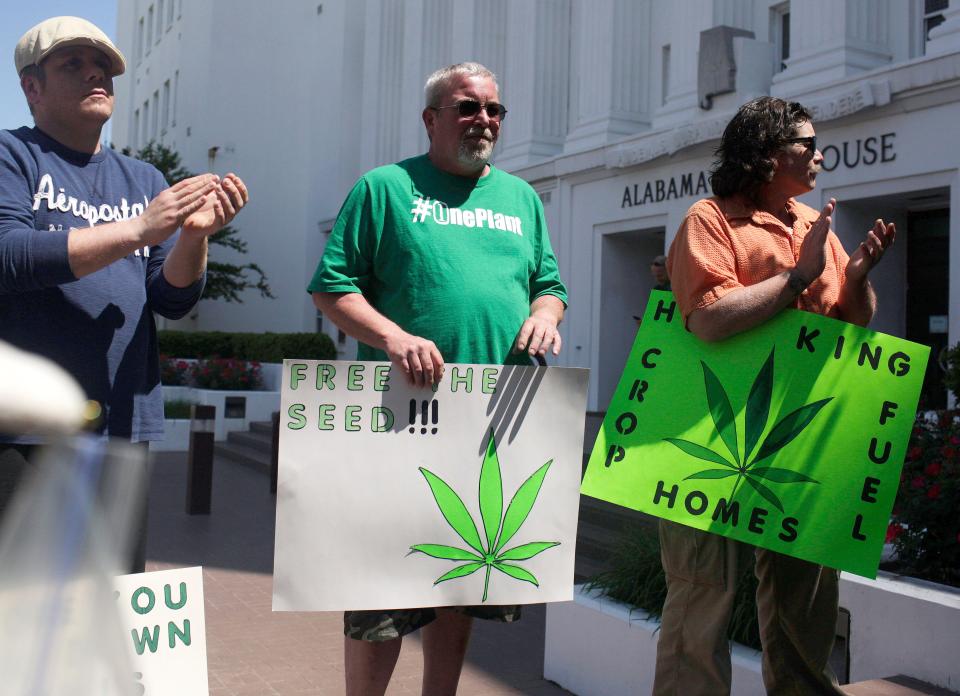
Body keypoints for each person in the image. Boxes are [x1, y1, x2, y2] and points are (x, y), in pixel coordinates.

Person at [309, 62, 567, 696]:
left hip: (491, 423)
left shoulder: (522, 199)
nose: (485, 120)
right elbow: (331, 288)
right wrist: (393, 337)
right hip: (401, 419)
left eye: (495, 110)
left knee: (462, 581)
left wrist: (543, 316)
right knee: (382, 591)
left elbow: (550, 287)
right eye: (468, 108)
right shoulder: (384, 189)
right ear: (432, 119)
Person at [653, 96, 895, 696]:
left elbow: (851, 325)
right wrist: (796, 278)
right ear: (764, 156)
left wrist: (858, 281)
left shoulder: (815, 225)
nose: (819, 154)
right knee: (703, 594)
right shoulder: (708, 220)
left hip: (803, 437)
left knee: (806, 603)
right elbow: (708, 319)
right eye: (804, 145)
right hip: (708, 433)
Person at [0, 16, 249, 572]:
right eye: (73, 64)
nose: (95, 75)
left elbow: (172, 299)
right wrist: (138, 230)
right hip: (22, 431)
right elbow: (11, 256)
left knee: (111, 606)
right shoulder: (11, 155)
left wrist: (192, 235)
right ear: (31, 88)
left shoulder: (144, 178)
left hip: (119, 430)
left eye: (103, 67)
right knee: (18, 615)